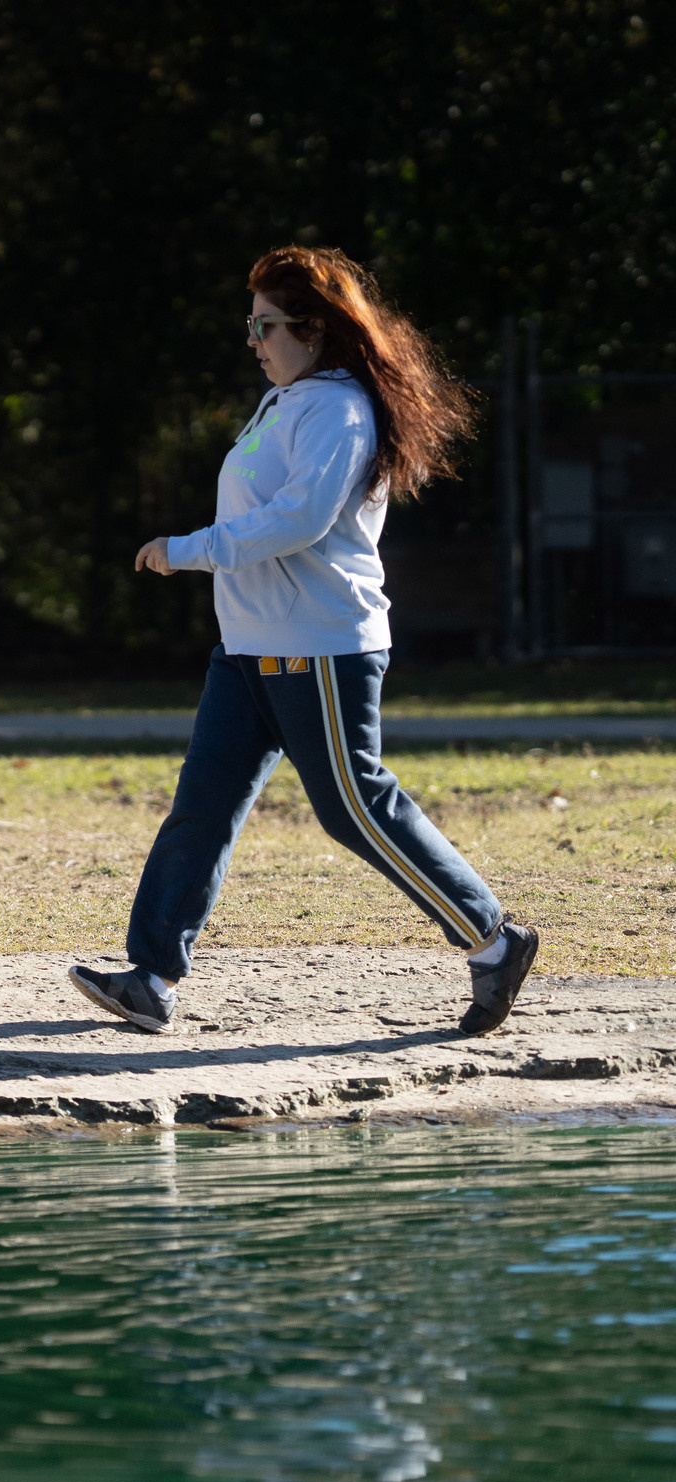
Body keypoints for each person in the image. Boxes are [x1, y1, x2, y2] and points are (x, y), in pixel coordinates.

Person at [72, 246, 537, 1037]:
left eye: (266, 325)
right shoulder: (289, 400)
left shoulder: (337, 408)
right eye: (249, 324)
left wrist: (190, 548)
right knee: (202, 808)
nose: (253, 340)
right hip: (250, 648)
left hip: (319, 647)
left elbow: (299, 520)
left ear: (314, 330)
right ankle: (151, 978)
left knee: (353, 806)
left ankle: (494, 939)